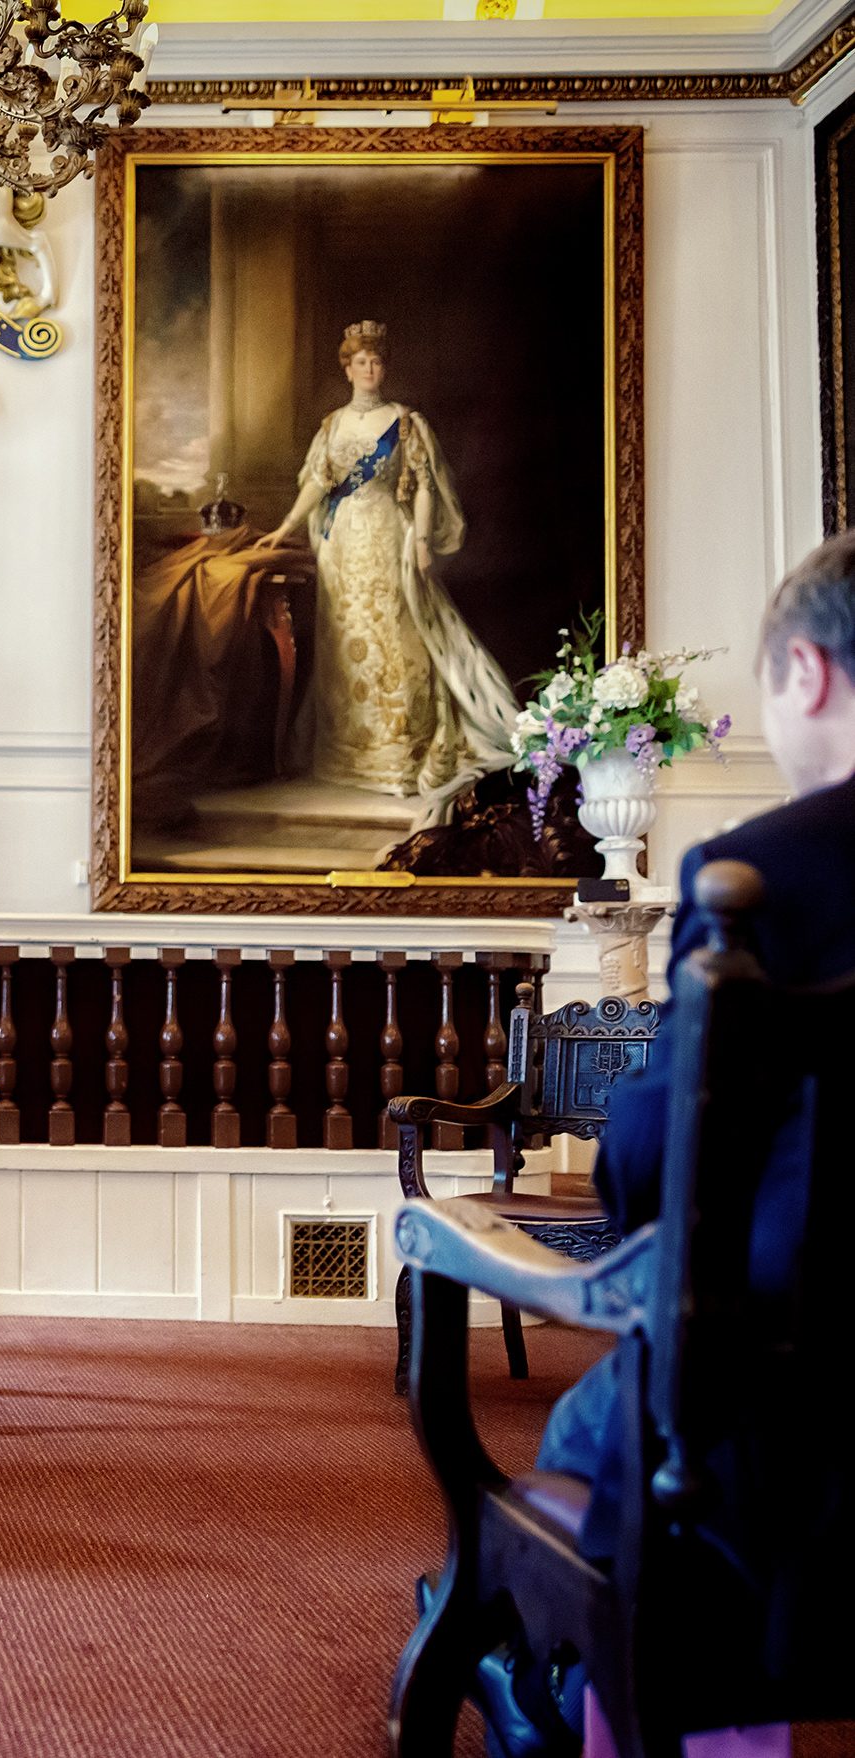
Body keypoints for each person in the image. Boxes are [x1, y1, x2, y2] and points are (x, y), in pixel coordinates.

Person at [475, 531, 855, 1758]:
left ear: (806, 673)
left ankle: (544, 1671)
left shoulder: (768, 871)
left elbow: (649, 1168)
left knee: (617, 1417)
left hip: (795, 1398)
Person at [264, 319, 522, 815]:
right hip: (340, 547)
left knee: (396, 640)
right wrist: (287, 525)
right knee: (344, 645)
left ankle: (401, 754)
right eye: (361, 362)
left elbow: (424, 485)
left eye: (377, 362)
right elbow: (318, 484)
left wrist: (422, 542)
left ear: (385, 367)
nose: (369, 369)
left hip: (388, 539)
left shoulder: (406, 421)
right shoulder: (332, 424)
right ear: (347, 368)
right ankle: (349, 757)